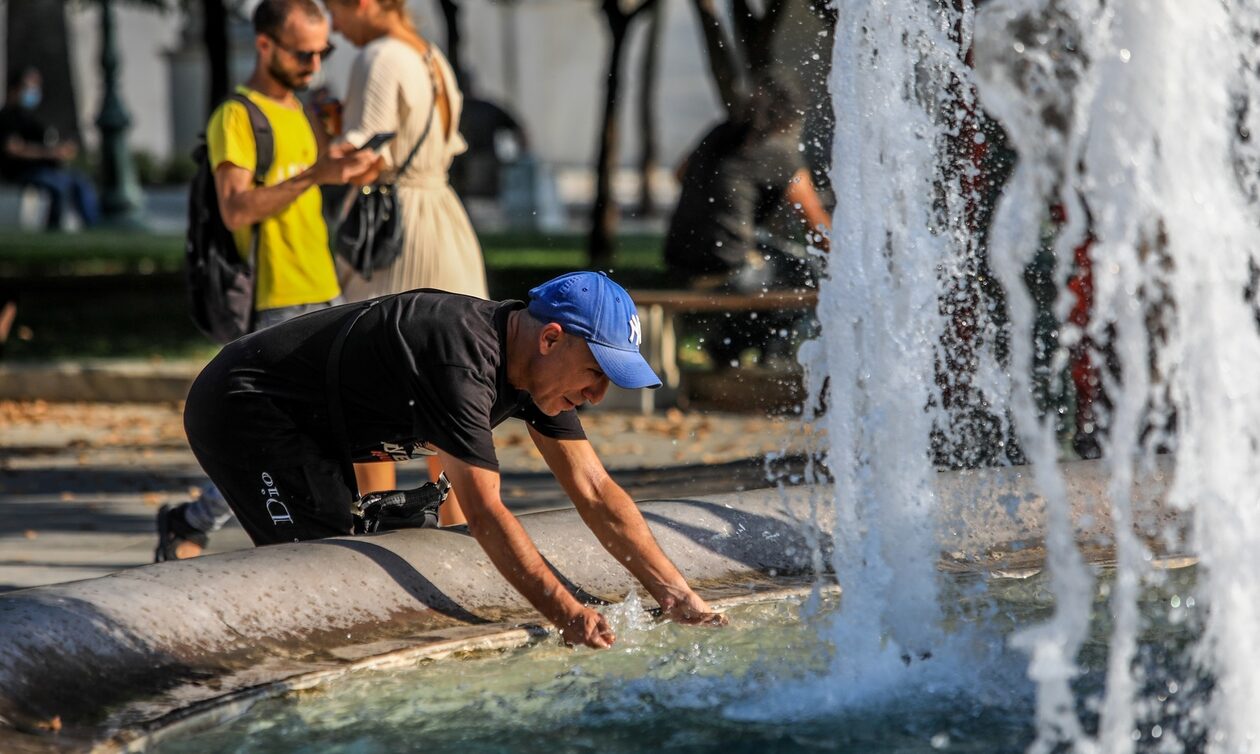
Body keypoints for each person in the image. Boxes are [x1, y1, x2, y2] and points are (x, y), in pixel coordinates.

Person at [178, 271, 727, 648]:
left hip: (317, 427)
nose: (599, 396)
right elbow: (485, 512)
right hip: (246, 407)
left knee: (346, 563)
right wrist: (567, 614)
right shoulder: (461, 360)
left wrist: (680, 597)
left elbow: (595, 491)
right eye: (597, 373)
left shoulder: (536, 372)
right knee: (312, 568)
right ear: (552, 338)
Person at [155, 0, 379, 562]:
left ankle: (325, 535)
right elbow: (235, 209)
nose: (315, 62)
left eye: (323, 51)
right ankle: (197, 519)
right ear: (265, 46)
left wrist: (348, 166)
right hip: (272, 302)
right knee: (269, 440)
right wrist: (315, 174)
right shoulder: (237, 116)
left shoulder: (303, 111)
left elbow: (314, 187)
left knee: (337, 428)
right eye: (304, 52)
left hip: (324, 289)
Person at [323, 0, 490, 525]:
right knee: (454, 378)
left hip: (399, 231)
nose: (335, 25)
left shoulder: (379, 56)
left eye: (335, 8)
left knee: (371, 374)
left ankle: (376, 522)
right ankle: (460, 522)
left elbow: (361, 154)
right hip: (444, 218)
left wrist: (321, 129)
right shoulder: (432, 57)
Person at [663, 72, 831, 367]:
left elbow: (679, 174)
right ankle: (761, 355)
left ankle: (731, 349)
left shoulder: (720, 133)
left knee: (767, 250)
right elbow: (818, 228)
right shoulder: (778, 152)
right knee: (805, 273)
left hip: (678, 259)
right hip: (726, 268)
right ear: (790, 116)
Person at [0, 67, 99, 230]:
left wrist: (62, 150)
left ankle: (93, 228)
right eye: (28, 87)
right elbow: (13, 149)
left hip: (47, 171)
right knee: (58, 187)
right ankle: (54, 230)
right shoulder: (7, 118)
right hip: (22, 172)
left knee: (81, 182)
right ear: (14, 89)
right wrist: (49, 153)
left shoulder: (31, 117)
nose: (33, 92)